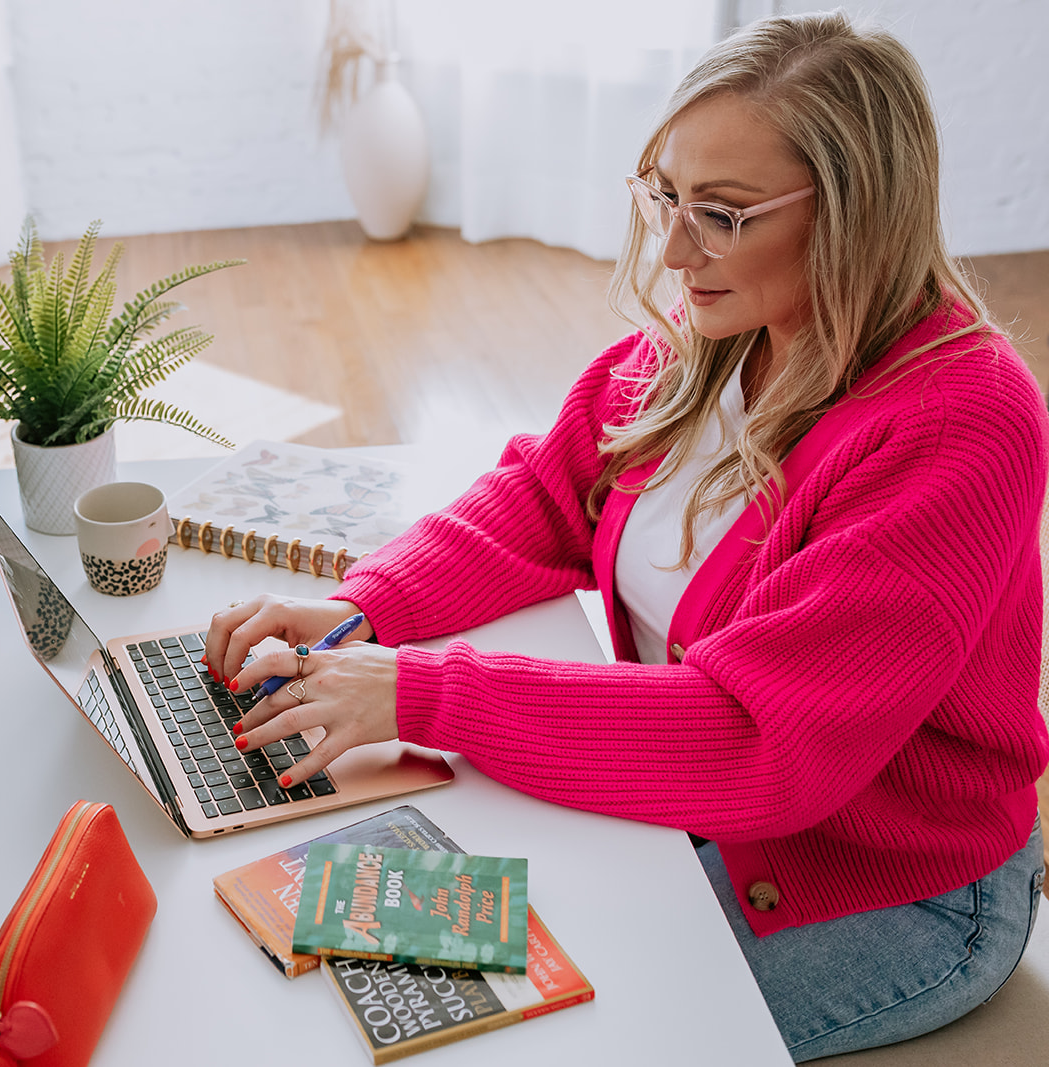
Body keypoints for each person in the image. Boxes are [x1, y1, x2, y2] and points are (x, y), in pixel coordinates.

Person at [202, 12, 1047, 1062]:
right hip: (695, 814)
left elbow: (760, 738)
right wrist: (365, 606)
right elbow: (546, 494)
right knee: (375, 956)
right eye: (667, 198)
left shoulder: (959, 422)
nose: (675, 249)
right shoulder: (713, 339)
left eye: (723, 215)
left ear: (855, 215)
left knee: (515, 1035)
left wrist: (420, 690)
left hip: (886, 885)